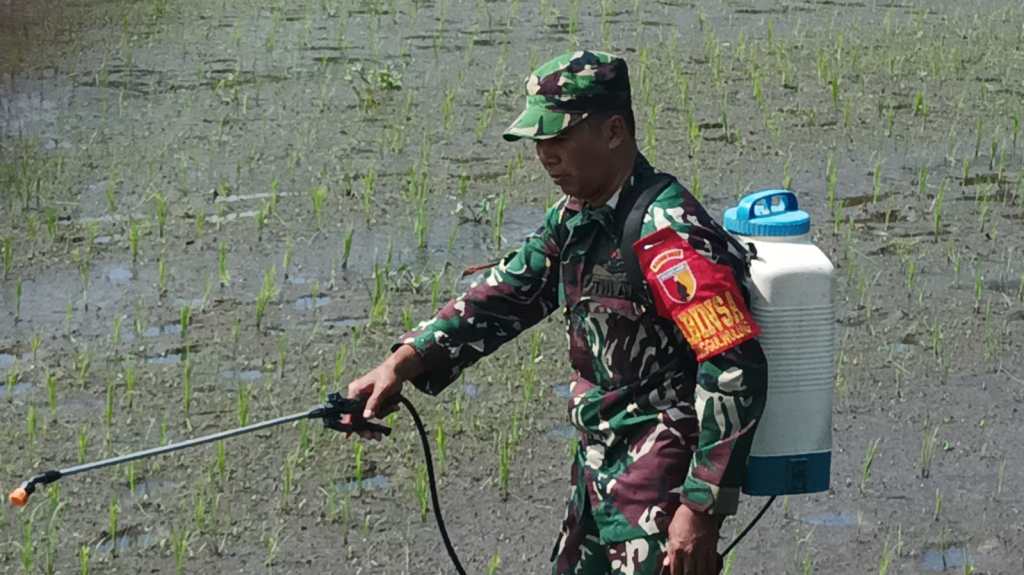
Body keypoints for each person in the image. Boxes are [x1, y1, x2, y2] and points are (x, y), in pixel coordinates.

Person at [344, 50, 768, 575]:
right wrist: (400, 364)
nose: (546, 155)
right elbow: (505, 294)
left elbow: (733, 365)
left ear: (614, 131)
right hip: (596, 479)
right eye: (538, 141)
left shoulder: (669, 235)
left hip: (660, 490)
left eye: (559, 137)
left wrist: (702, 508)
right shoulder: (575, 218)